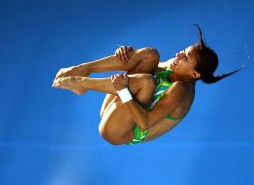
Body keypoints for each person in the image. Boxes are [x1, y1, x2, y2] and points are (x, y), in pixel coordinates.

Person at [52, 25, 240, 145]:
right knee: (150, 54)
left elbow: (145, 123)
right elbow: (138, 63)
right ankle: (84, 69)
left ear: (194, 74)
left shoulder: (182, 91)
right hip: (120, 104)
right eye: (184, 50)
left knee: (146, 82)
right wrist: (125, 53)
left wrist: (123, 91)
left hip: (119, 131)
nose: (179, 55)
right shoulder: (174, 66)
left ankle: (84, 84)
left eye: (186, 58)